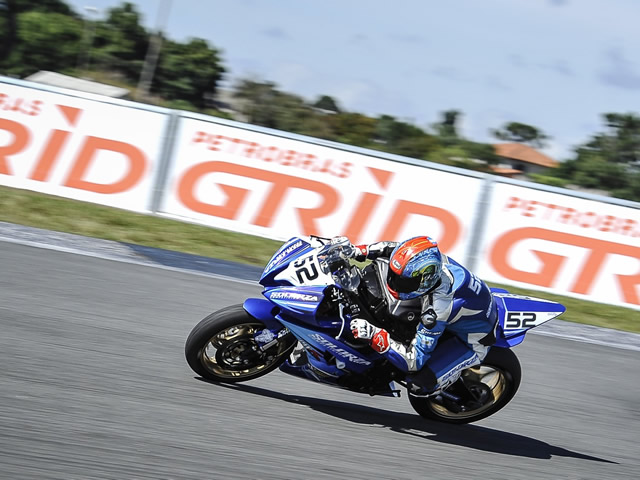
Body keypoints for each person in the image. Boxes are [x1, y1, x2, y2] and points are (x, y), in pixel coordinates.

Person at [342, 235, 498, 395]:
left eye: (403, 282)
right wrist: (358, 250)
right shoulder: (432, 261)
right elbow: (393, 249)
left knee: (419, 385)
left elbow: (414, 361)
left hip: (472, 342)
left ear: (425, 282)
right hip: (471, 305)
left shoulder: (439, 308)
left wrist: (376, 337)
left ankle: (455, 388)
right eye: (394, 276)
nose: (394, 283)